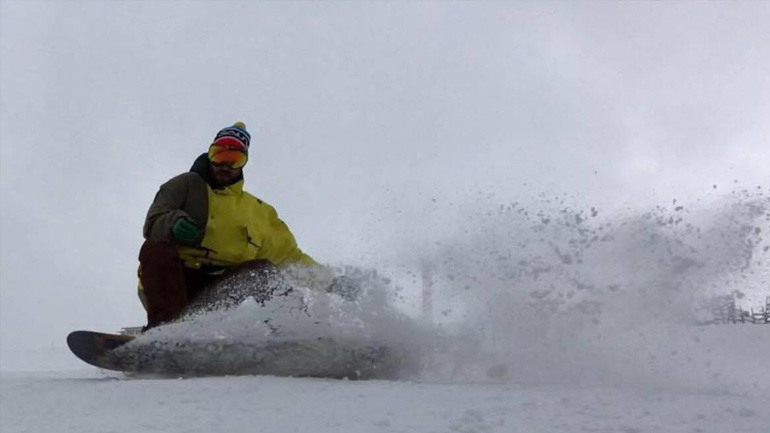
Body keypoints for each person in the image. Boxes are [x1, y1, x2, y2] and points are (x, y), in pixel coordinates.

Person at [137, 121, 327, 329]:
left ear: (244, 163)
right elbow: (154, 220)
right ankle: (165, 332)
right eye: (219, 155)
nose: (225, 165)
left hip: (216, 291)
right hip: (171, 287)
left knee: (261, 271)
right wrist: (173, 223)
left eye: (235, 159)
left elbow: (291, 259)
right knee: (155, 249)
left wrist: (330, 282)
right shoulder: (185, 186)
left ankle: (296, 329)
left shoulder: (259, 212)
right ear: (210, 155)